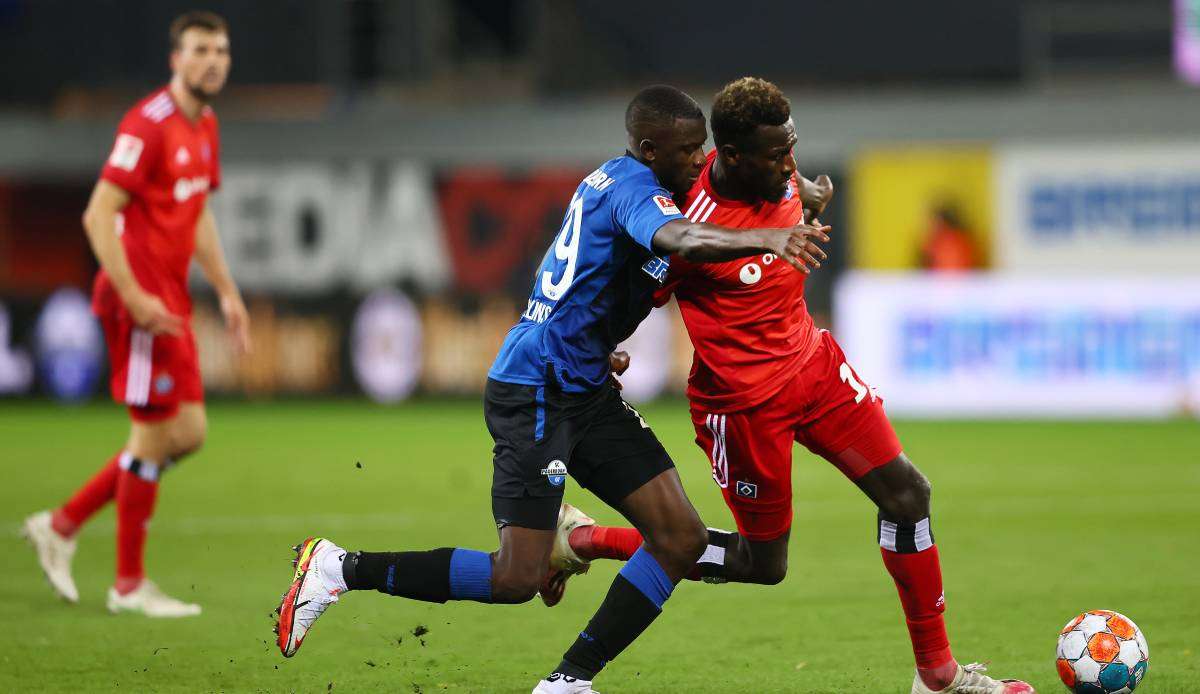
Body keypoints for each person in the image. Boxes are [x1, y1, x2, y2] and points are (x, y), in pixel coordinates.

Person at [270, 84, 832, 694]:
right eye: (690, 150)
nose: (701, 161)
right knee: (516, 579)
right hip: (535, 390)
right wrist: (769, 238)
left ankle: (569, 681)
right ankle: (338, 568)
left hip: (582, 383)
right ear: (648, 148)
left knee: (680, 537)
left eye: (704, 150)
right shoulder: (632, 189)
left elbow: (570, 275)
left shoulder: (642, 184)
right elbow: (680, 241)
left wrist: (796, 194)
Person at [549, 77, 1034, 694]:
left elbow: (795, 186)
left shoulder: (780, 165)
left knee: (909, 494)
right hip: (744, 407)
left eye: (791, 148)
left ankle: (937, 677)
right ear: (730, 156)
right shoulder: (689, 226)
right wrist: (606, 347)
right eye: (775, 156)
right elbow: (635, 295)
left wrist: (811, 197)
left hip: (815, 368)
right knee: (763, 565)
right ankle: (585, 539)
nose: (788, 162)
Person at [22, 11, 249, 618]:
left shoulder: (206, 128)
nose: (213, 61)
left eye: (221, 51)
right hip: (139, 303)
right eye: (201, 50)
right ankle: (127, 585)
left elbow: (197, 211)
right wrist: (133, 296)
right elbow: (97, 215)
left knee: (188, 433)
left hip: (169, 299)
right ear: (175, 59)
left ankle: (63, 524)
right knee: (152, 438)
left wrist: (226, 289)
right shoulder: (147, 126)